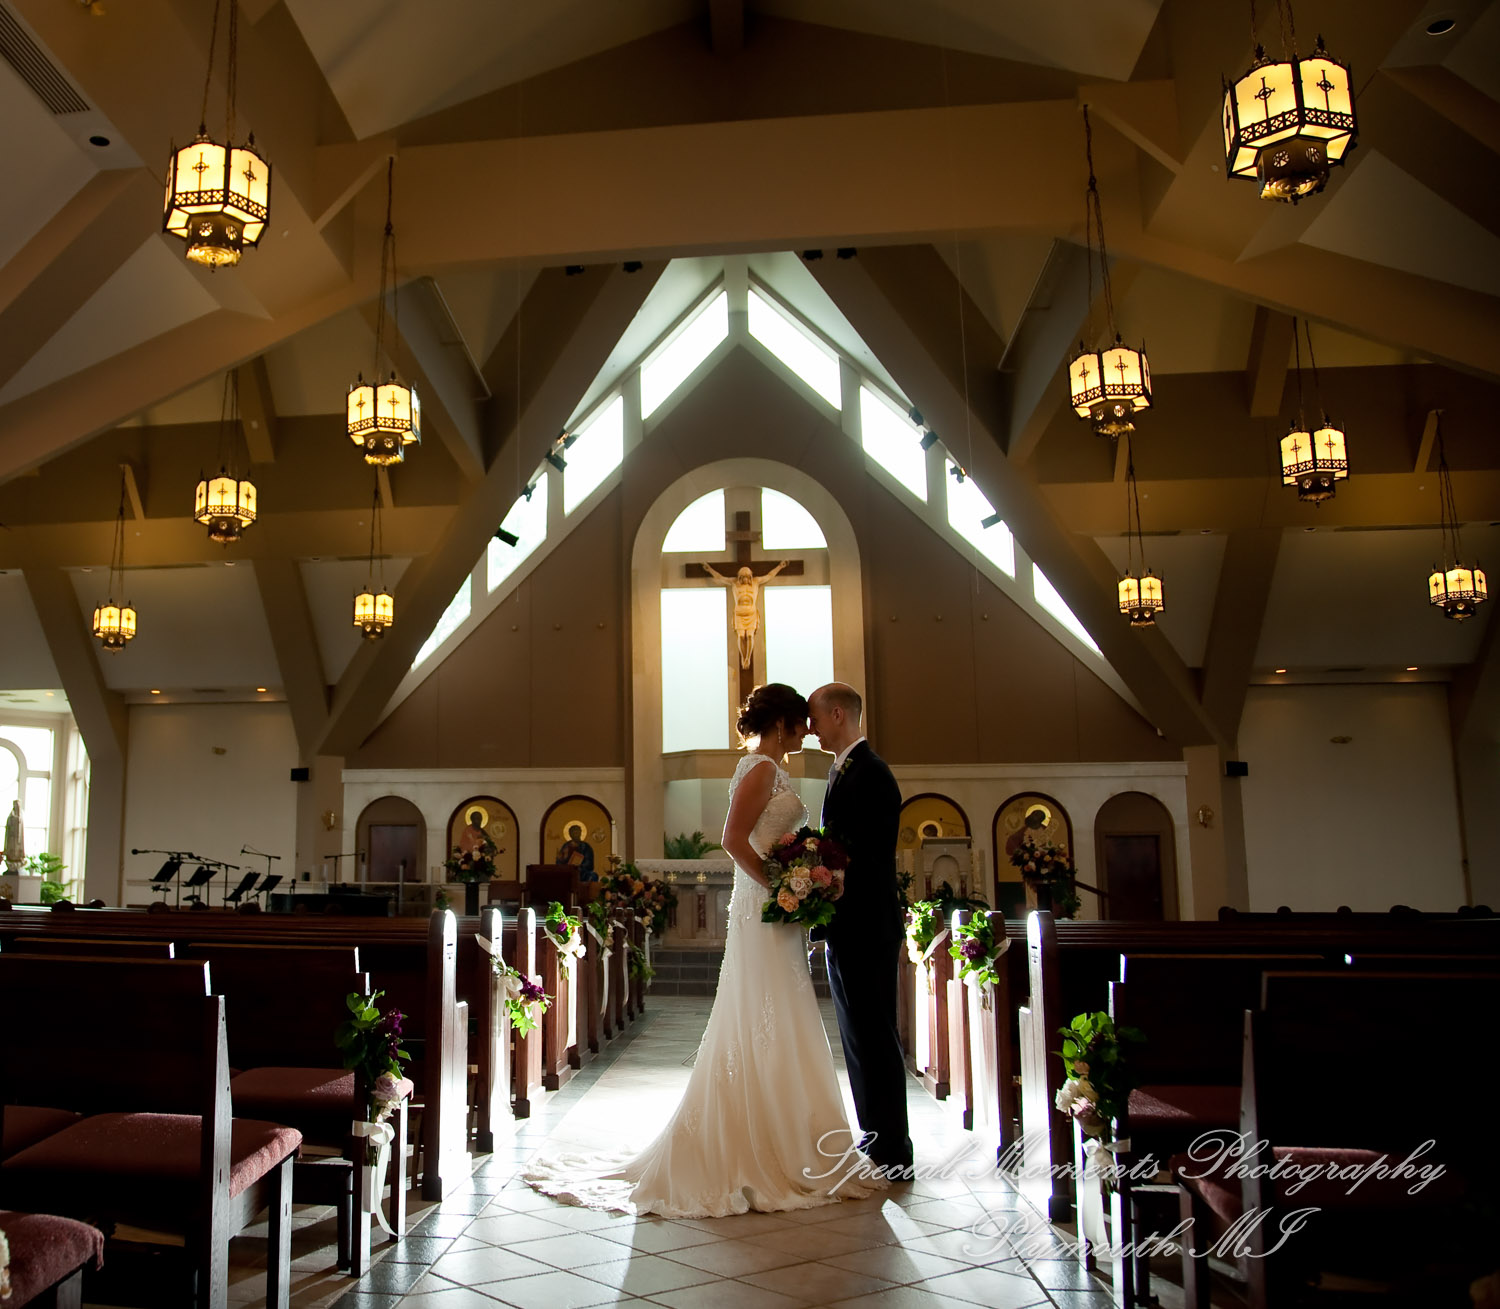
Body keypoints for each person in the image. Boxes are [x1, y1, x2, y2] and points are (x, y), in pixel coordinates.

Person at [524, 682, 884, 1216]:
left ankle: (788, 1131)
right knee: (763, 1007)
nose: (808, 731)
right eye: (800, 723)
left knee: (781, 1009)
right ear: (781, 725)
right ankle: (762, 1141)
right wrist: (780, 886)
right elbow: (733, 840)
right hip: (763, 907)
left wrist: (799, 879)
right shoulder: (760, 769)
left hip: (776, 908)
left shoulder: (774, 769)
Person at [807, 681, 914, 1171]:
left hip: (867, 926)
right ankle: (875, 1137)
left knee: (874, 1035)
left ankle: (893, 1148)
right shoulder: (846, 770)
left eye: (815, 718)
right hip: (849, 927)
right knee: (857, 1037)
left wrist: (820, 870)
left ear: (837, 714)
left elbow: (869, 854)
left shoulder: (872, 772)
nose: (811, 728)